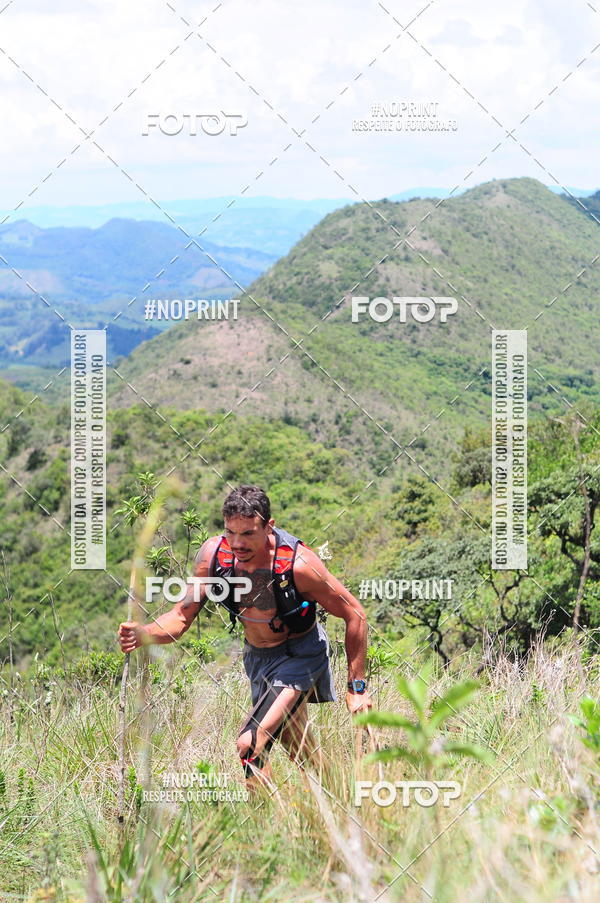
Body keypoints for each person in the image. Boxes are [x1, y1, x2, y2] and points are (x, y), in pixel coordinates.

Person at [118, 485, 372, 793]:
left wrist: (357, 687)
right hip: (258, 660)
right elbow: (181, 618)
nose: (238, 543)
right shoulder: (215, 557)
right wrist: (145, 633)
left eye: (249, 534)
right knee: (298, 746)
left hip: (299, 656)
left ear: (269, 526)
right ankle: (339, 798)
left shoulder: (299, 565)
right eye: (230, 533)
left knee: (250, 744)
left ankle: (261, 832)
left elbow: (355, 614)